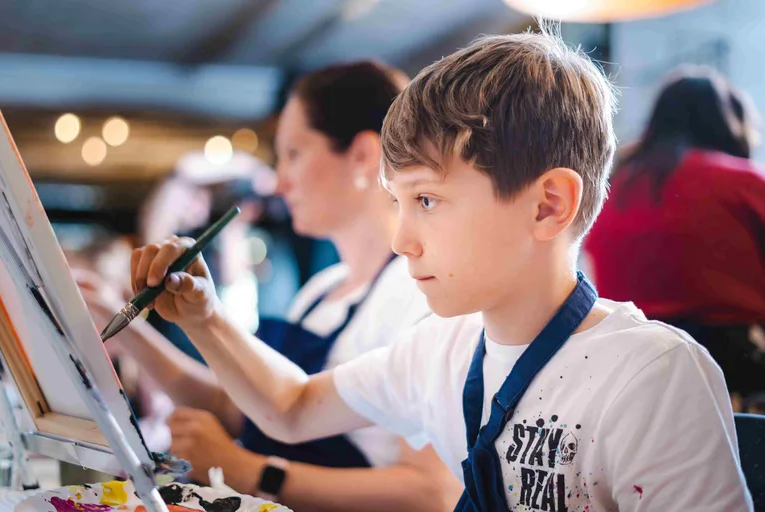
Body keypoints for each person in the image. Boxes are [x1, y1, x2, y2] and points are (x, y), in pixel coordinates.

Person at [129, 30, 753, 511]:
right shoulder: (442, 349)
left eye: (427, 200)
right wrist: (207, 319)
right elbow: (290, 407)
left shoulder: (652, 376)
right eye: (397, 202)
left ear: (548, 205)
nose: (402, 239)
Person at [86, 61, 461, 511]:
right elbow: (251, 408)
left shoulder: (421, 296)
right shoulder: (322, 290)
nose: (280, 182)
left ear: (362, 155)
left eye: (294, 154)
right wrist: (125, 327)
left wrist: (249, 470)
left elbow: (432, 494)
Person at [584, 67, 765, 410]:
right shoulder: (742, 182)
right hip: (734, 366)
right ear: (730, 121)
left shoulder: (611, 190)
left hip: (623, 363)